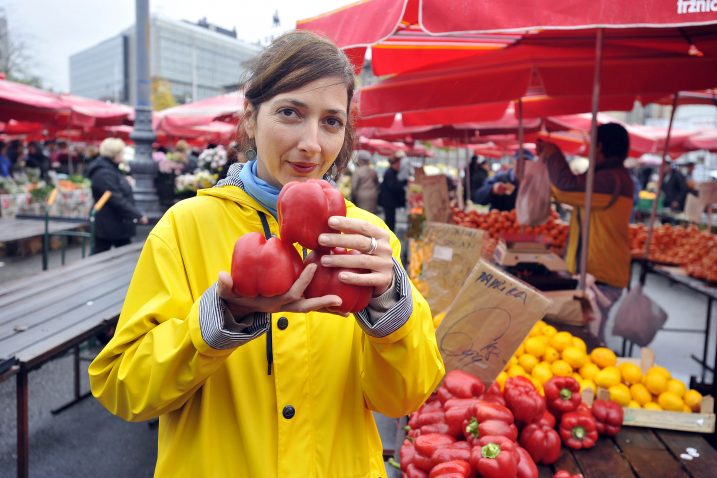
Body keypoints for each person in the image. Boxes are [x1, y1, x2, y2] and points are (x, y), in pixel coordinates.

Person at [88, 31, 444, 478]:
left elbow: (402, 398)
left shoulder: (369, 239)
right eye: (290, 113)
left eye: (331, 122)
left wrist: (391, 307)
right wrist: (216, 324)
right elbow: (123, 388)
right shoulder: (186, 227)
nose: (312, 143)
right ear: (251, 118)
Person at [539, 123, 634, 342]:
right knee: (581, 338)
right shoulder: (608, 176)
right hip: (597, 272)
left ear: (599, 146)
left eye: (590, 144)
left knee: (587, 343)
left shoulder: (611, 180)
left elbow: (565, 188)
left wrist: (554, 155)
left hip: (600, 276)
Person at [85, 138, 148, 253]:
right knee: (101, 256)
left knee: (118, 254)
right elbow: (116, 198)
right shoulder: (104, 172)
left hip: (115, 222)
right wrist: (137, 215)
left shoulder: (109, 169)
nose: (123, 155)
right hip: (109, 223)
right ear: (114, 154)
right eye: (121, 153)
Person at [379, 150, 408, 232]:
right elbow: (394, 186)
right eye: (399, 163)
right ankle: (390, 237)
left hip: (389, 201)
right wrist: (402, 184)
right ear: (395, 164)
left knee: (390, 219)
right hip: (388, 201)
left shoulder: (391, 172)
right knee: (390, 220)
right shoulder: (390, 173)